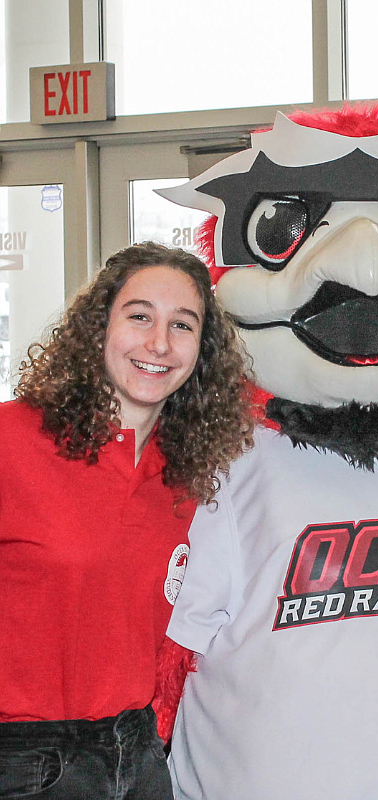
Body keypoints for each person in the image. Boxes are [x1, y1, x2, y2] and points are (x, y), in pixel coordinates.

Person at [0, 241, 254, 799]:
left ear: (202, 351)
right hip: (25, 760)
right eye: (139, 316)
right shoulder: (11, 440)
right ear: (98, 329)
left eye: (182, 325)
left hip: (140, 756)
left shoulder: (190, 473)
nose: (158, 343)